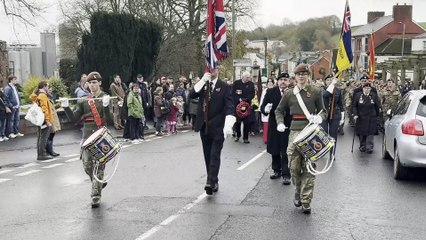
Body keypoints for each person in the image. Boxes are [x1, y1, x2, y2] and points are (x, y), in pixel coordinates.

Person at [275, 63, 327, 214]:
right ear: (295, 76)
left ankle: (306, 201)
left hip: (311, 132)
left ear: (308, 75)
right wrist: (279, 123)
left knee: (309, 167)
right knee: (293, 167)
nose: (301, 76)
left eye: (304, 74)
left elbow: (323, 111)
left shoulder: (316, 91)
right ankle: (298, 190)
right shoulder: (290, 93)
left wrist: (319, 118)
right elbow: (279, 110)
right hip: (294, 132)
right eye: (299, 74)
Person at [62, 72, 112, 208]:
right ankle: (99, 182)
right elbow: (74, 119)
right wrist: (66, 108)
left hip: (101, 135)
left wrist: (107, 107)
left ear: (100, 83)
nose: (92, 85)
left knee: (99, 166)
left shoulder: (105, 98)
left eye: (95, 83)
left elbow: (110, 121)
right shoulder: (84, 100)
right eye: (90, 83)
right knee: (87, 166)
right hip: (87, 136)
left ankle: (96, 195)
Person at [189, 68, 235, 195]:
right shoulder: (203, 85)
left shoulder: (224, 87)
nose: (211, 71)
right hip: (204, 126)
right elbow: (191, 94)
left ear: (218, 70)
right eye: (209, 68)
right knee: (207, 155)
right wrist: (203, 81)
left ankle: (210, 181)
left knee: (215, 154)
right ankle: (214, 179)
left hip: (218, 126)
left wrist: (228, 124)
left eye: (213, 68)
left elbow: (229, 106)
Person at [260, 72, 292, 185]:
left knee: (286, 149)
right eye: (281, 79)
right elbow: (262, 107)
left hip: (288, 123)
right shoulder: (270, 92)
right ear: (277, 81)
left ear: (289, 81)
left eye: (285, 79)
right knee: (275, 148)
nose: (283, 81)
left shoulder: (292, 92)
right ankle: (276, 170)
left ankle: (286, 174)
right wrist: (266, 110)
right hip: (274, 123)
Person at [352, 82, 381, 154]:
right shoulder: (358, 95)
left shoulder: (373, 96)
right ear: (363, 89)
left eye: (368, 88)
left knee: (370, 132)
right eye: (365, 88)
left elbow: (377, 106)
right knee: (362, 132)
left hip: (371, 116)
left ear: (370, 89)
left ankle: (369, 147)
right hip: (361, 117)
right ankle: (362, 145)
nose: (367, 90)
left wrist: (377, 115)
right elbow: (354, 106)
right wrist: (355, 114)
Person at [29, 81, 54, 160]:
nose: (48, 88)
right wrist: (47, 120)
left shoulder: (37, 95)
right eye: (47, 86)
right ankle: (42, 154)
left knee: (40, 136)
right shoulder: (43, 95)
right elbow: (45, 109)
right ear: (44, 86)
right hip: (44, 119)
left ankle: (40, 153)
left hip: (40, 119)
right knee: (43, 137)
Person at [321, 74, 344, 159]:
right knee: (323, 134)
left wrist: (342, 115)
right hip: (324, 114)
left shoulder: (338, 90)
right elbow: (325, 95)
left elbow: (341, 104)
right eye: (328, 80)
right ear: (325, 82)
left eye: (331, 80)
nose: (330, 81)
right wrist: (331, 85)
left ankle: (332, 153)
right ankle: (322, 151)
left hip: (335, 114)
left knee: (333, 134)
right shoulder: (322, 89)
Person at [232, 71, 255, 143]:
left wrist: (246, 99)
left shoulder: (251, 84)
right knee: (237, 122)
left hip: (247, 105)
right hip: (237, 105)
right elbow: (232, 93)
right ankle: (238, 135)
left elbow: (252, 94)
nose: (248, 79)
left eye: (249, 77)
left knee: (246, 122)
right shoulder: (236, 83)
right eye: (247, 77)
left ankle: (245, 138)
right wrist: (239, 99)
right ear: (243, 77)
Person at [46, 84, 61, 156]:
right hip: (50, 119)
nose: (50, 91)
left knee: (52, 134)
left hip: (52, 118)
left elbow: (52, 108)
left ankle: (50, 150)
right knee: (50, 135)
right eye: (49, 89)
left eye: (51, 90)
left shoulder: (49, 98)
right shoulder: (46, 98)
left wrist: (58, 105)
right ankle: (50, 151)